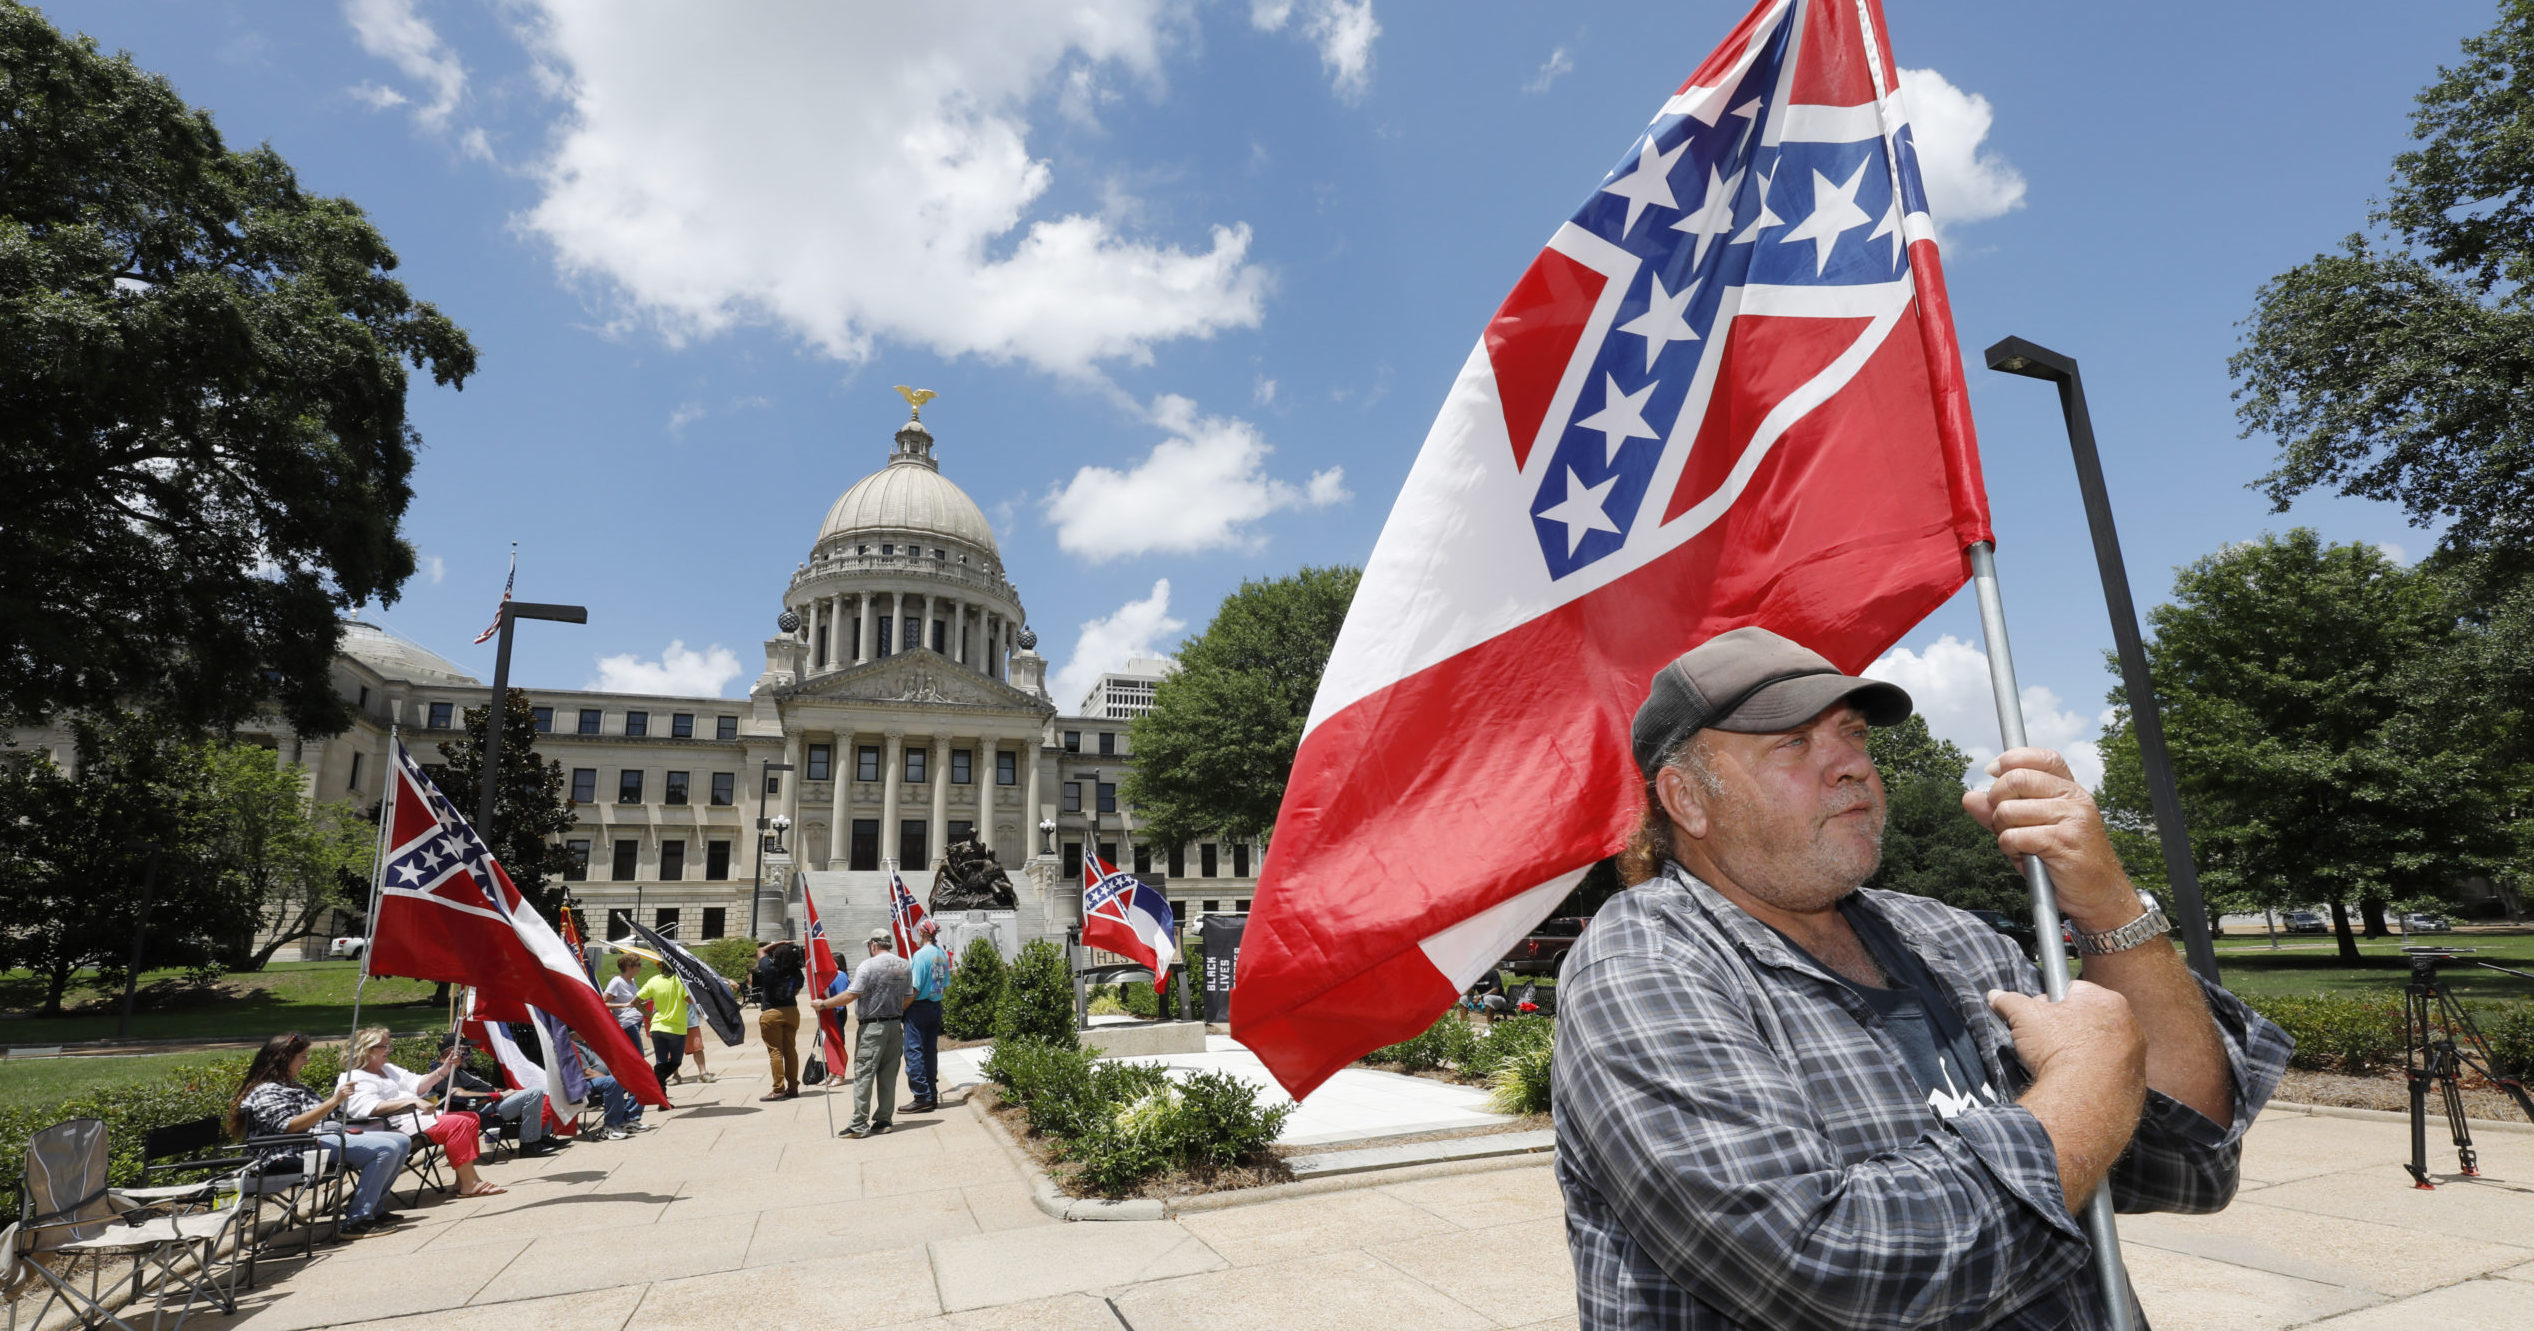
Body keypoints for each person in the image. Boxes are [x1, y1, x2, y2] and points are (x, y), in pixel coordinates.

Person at [1554, 627, 2292, 1330]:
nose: (1852, 764)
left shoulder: (1951, 938)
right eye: (1795, 742)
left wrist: (2106, 903)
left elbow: (2190, 1159)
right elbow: (1822, 1269)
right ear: (1687, 798)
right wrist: (2087, 1078)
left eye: (1853, 733)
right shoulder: (1644, 961)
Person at [228, 1032, 412, 1236]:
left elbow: (324, 1113)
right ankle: (357, 1218)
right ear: (284, 1059)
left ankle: (375, 1208)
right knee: (384, 1149)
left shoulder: (294, 1086)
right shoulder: (266, 1091)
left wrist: (341, 1104)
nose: (306, 1062)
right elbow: (289, 1127)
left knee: (401, 1140)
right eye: (303, 1057)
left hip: (316, 1140)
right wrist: (333, 1101)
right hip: (291, 1150)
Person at [342, 1027, 506, 1197]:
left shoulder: (388, 1069)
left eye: (388, 1045)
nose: (389, 1050)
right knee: (458, 1123)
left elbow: (418, 1084)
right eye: (384, 1046)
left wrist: (445, 1068)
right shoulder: (354, 1077)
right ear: (367, 1050)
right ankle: (470, 1183)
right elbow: (368, 1108)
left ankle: (462, 1180)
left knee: (470, 1117)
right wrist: (411, 1101)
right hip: (391, 1126)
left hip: (415, 1119)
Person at [808, 929, 910, 1138]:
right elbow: (909, 996)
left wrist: (824, 1004)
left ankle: (859, 1123)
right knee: (888, 1075)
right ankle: (883, 1120)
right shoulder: (904, 964)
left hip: (872, 1027)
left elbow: (851, 994)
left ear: (873, 945)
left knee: (864, 1074)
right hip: (895, 1026)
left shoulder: (868, 965)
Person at [433, 1032, 559, 1158]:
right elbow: (459, 1095)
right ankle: (529, 1145)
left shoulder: (464, 1069)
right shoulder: (443, 1071)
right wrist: (498, 1096)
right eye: (464, 1048)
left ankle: (541, 1137)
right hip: (480, 1110)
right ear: (451, 1051)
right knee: (534, 1093)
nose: (469, 1051)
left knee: (543, 1088)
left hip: (494, 1102)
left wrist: (504, 1092)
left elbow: (487, 1088)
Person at [901, 920, 948, 1113]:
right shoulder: (942, 954)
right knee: (929, 1052)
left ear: (923, 934)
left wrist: (902, 1008)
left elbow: (914, 987)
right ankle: (932, 1092)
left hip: (918, 1007)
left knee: (913, 1052)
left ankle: (922, 1095)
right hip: (935, 1005)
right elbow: (944, 984)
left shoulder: (920, 956)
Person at [754, 940, 806, 1101]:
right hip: (791, 1011)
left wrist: (780, 943)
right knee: (790, 1050)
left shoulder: (769, 968)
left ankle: (778, 1089)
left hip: (771, 1012)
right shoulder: (798, 973)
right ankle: (793, 1087)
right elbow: (796, 991)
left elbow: (760, 950)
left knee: (775, 1051)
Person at [635, 957, 690, 1085]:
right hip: (676, 1028)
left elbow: (635, 1001)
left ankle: (661, 1099)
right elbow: (690, 1000)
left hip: (657, 1027)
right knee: (676, 1062)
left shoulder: (653, 981)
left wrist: (649, 1015)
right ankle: (654, 1081)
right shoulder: (680, 981)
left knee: (661, 1063)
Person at [604, 954, 646, 1052]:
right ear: (628, 967)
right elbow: (603, 1003)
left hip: (637, 1021)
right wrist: (625, 1005)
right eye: (638, 965)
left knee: (633, 1053)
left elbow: (632, 1000)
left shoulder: (632, 981)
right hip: (627, 1023)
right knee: (639, 1054)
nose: (640, 967)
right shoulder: (617, 982)